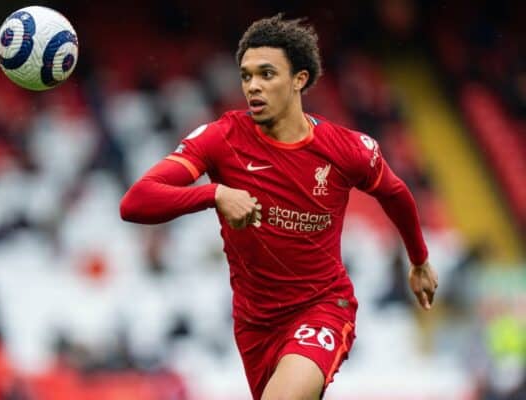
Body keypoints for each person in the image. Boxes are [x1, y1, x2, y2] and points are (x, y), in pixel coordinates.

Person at [120, 14, 438, 400]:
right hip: (255, 325)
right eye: (246, 75)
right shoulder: (223, 138)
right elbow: (136, 201)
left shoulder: (346, 149)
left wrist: (419, 261)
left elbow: (396, 193)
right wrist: (214, 194)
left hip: (323, 307)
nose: (253, 86)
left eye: (267, 74)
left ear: (299, 79)